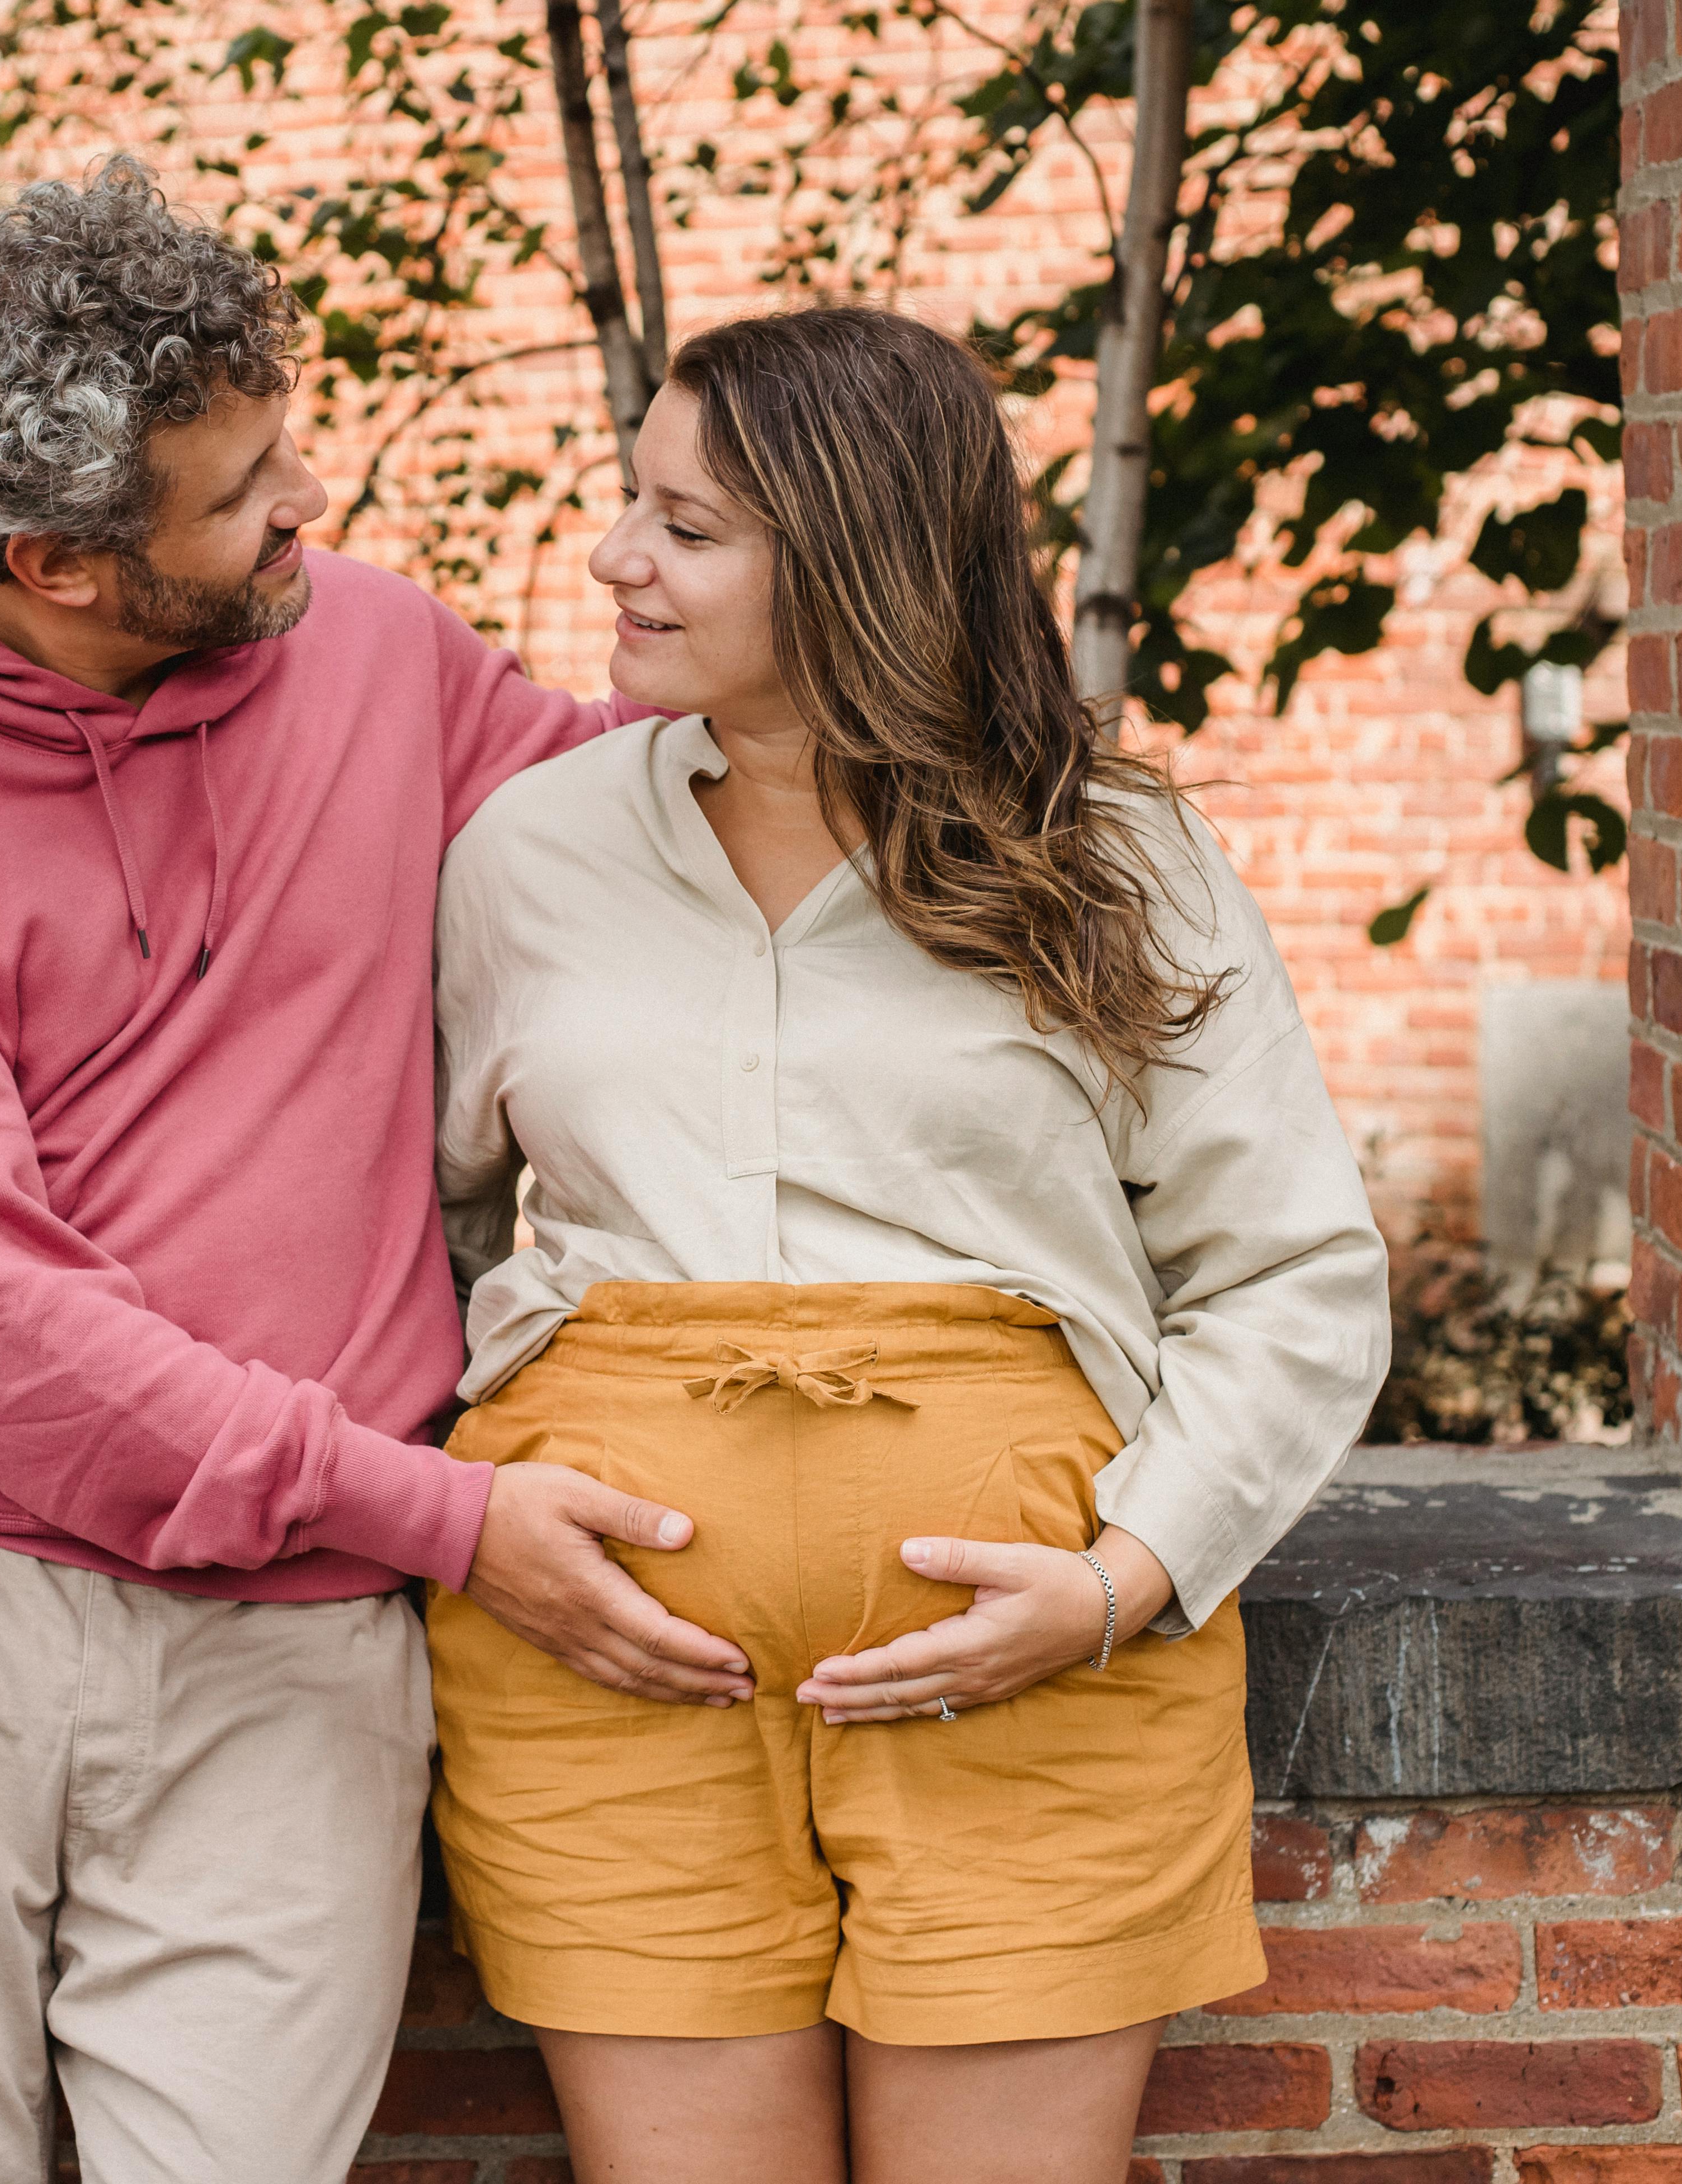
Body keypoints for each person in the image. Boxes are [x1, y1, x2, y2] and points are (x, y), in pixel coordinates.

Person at [0, 157, 748, 2184]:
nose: (309, 502)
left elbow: (658, 838)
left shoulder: (373, 656)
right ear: (60, 563)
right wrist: (444, 1514)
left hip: (299, 1633)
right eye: (248, 484)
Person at [427, 305, 1392, 2180]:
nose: (617, 556)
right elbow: (416, 1235)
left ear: (858, 561)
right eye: (632, 501)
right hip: (606, 1675)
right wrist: (472, 1519)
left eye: (686, 525)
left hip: (1040, 1674)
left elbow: (1289, 1270)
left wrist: (1120, 1585)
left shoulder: (1110, 858)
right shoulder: (525, 857)